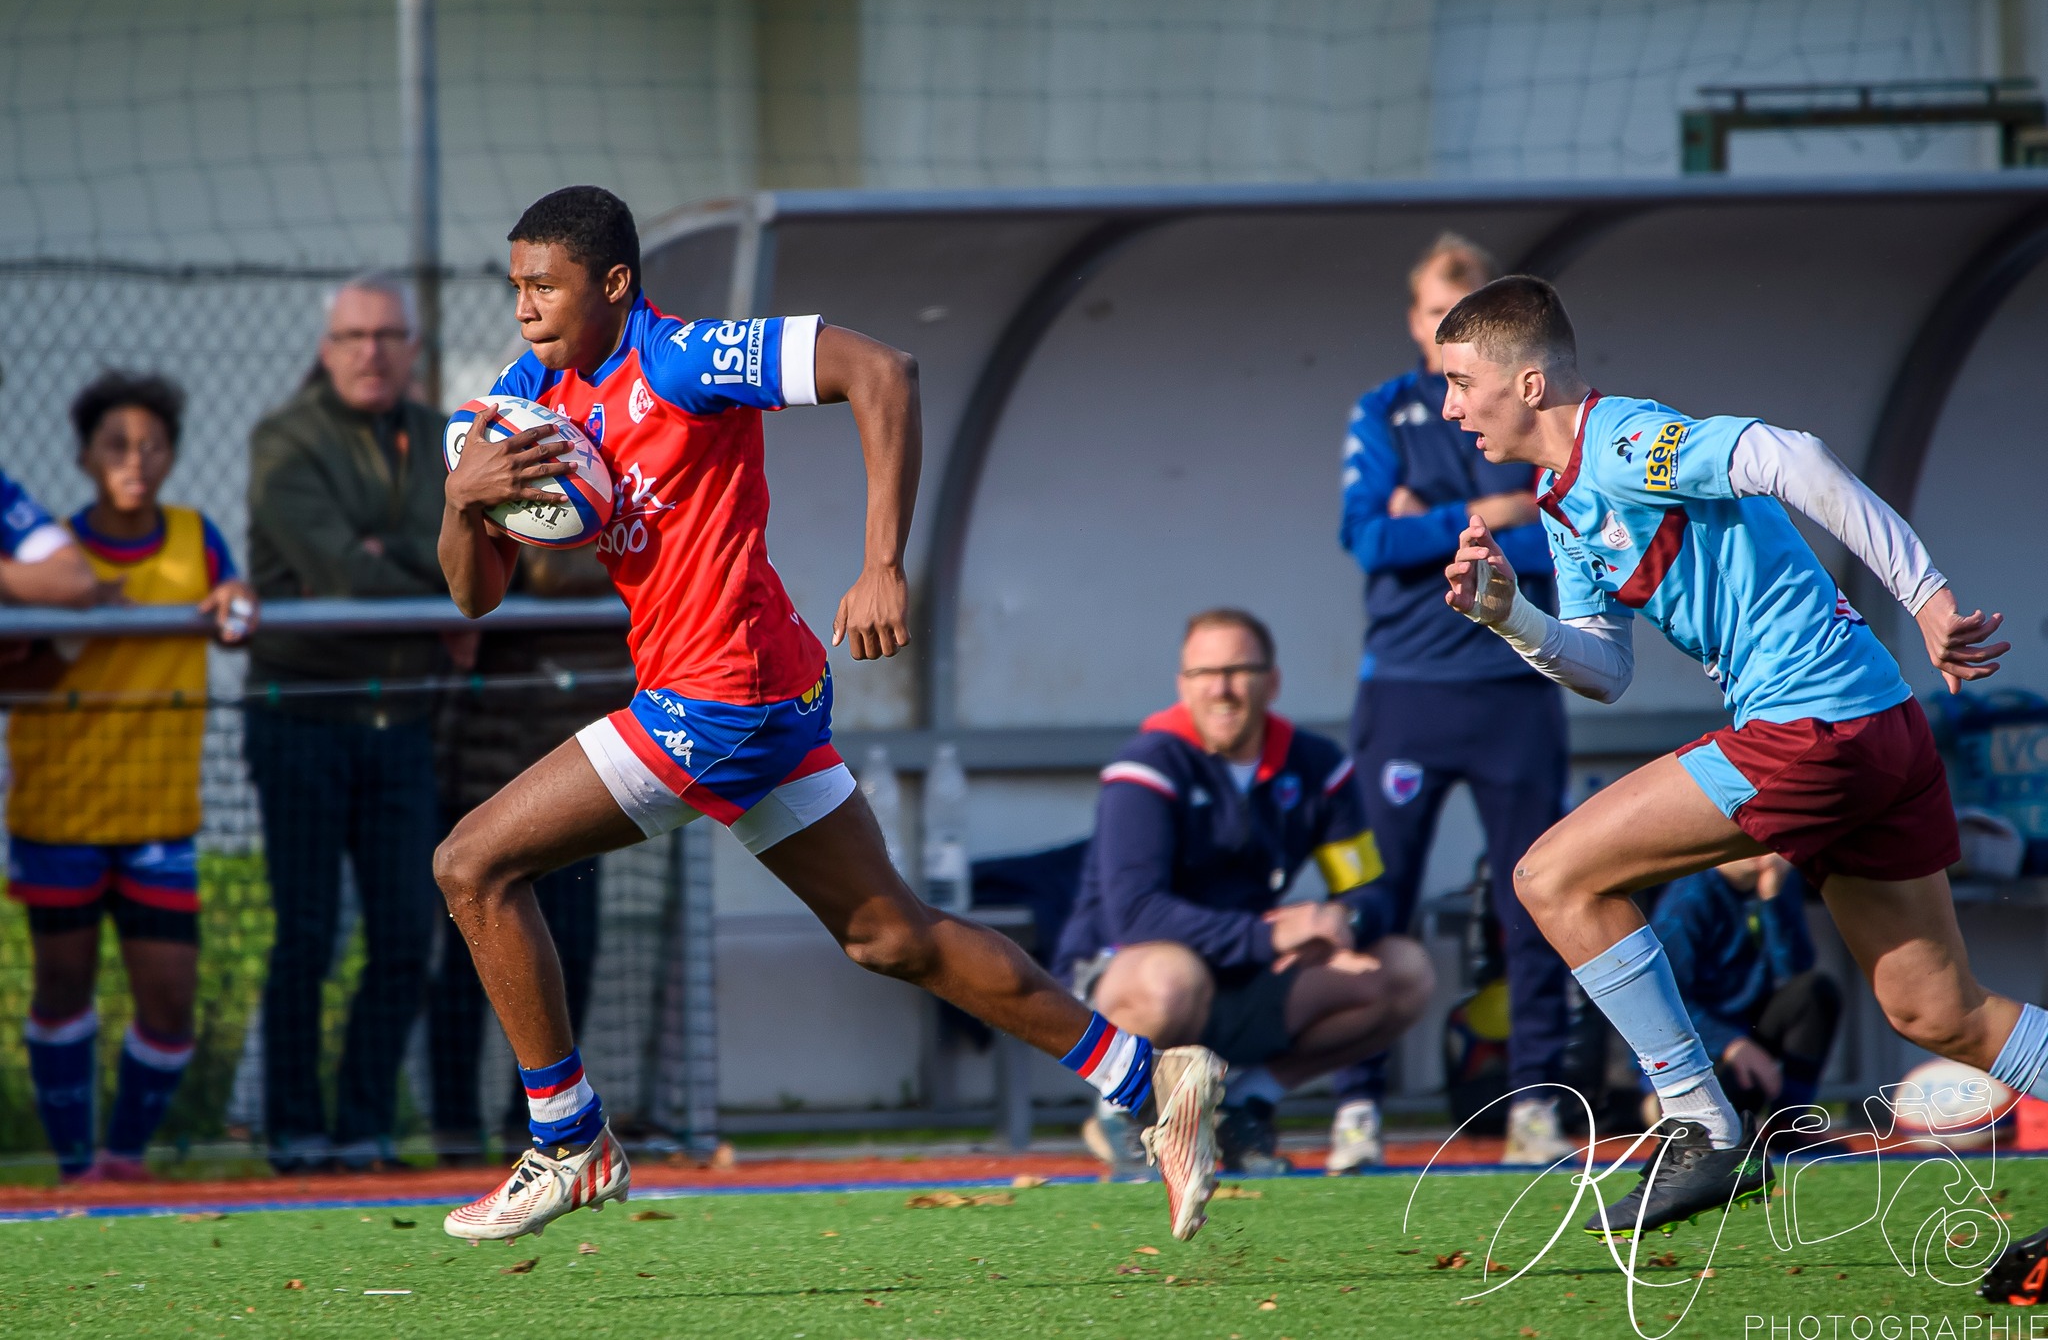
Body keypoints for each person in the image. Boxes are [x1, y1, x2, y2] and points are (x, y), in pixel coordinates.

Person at [432, 186, 1224, 1244]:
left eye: (547, 286)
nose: (525, 308)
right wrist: (460, 499)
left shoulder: (684, 358)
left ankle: (570, 1138)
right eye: (517, 286)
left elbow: (879, 369)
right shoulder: (528, 393)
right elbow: (475, 595)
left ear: (613, 285)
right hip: (738, 689)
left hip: (721, 695)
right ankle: (1150, 1077)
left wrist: (881, 563)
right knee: (890, 934)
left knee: (470, 865)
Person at [1436, 274, 2048, 1241]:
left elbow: (1788, 455)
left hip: (1816, 729)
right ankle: (1707, 1123)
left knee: (1550, 877)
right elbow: (1605, 670)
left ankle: (1701, 1122)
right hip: (1878, 727)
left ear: (1532, 385)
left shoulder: (1625, 438)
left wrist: (1926, 595)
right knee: (1937, 1008)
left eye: (1462, 381)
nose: (1449, 407)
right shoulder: (1560, 502)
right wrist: (1510, 615)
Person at [1336, 232, 1573, 1171]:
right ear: (1414, 321)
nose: (1454, 325)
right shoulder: (1385, 410)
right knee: (1374, 897)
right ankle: (1359, 1105)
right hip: (1404, 695)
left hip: (1516, 689)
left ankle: (1538, 1105)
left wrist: (1431, 522)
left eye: (1471, 304)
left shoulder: (1537, 405)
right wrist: (1490, 514)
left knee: (1537, 898)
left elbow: (1566, 539)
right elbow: (1365, 539)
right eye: (1439, 308)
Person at [1054, 608, 1432, 1177]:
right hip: (1131, 981)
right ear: (1182, 685)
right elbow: (1136, 916)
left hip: (1240, 973)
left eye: (1239, 671)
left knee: (1404, 970)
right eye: (1205, 674)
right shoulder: (1147, 765)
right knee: (1172, 979)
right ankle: (1122, 1107)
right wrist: (1272, 933)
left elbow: (1370, 889)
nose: (1222, 689)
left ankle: (1247, 1104)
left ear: (1272, 681)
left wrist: (1339, 923)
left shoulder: (1315, 765)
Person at [9, 371, 255, 1181]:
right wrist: (71, 632)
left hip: (160, 815)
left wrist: (235, 602)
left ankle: (121, 1159)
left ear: (173, 455)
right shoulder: (55, 553)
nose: (136, 459)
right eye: (116, 443)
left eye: (152, 444)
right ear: (83, 456)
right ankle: (74, 1163)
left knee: (170, 1004)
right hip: (60, 813)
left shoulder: (196, 536)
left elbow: (233, 606)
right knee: (61, 991)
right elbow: (18, 679)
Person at [244, 271, 452, 1173]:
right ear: (327, 350)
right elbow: (339, 576)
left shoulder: (441, 432)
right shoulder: (284, 440)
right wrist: (414, 564)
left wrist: (395, 558)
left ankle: (364, 1125)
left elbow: (474, 555)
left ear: (411, 347)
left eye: (387, 335)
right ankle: (294, 1131)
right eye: (353, 336)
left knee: (407, 927)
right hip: (303, 719)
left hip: (403, 722)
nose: (371, 350)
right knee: (308, 931)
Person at [426, 542, 624, 1162]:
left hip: (593, 753)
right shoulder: (502, 454)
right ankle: (456, 1133)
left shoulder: (637, 472)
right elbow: (484, 577)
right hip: (492, 753)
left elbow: (640, 557)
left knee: (572, 945)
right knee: (474, 942)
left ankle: (545, 1129)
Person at [1646, 854, 1838, 1125]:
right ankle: (1663, 1110)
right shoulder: (1689, 899)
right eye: (1743, 835)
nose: (1755, 846)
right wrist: (1729, 1043)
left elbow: (1793, 969)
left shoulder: (1779, 879)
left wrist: (1773, 901)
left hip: (1750, 1028)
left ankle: (1790, 1123)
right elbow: (1663, 999)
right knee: (1714, 1121)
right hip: (1699, 1041)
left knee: (1815, 992)